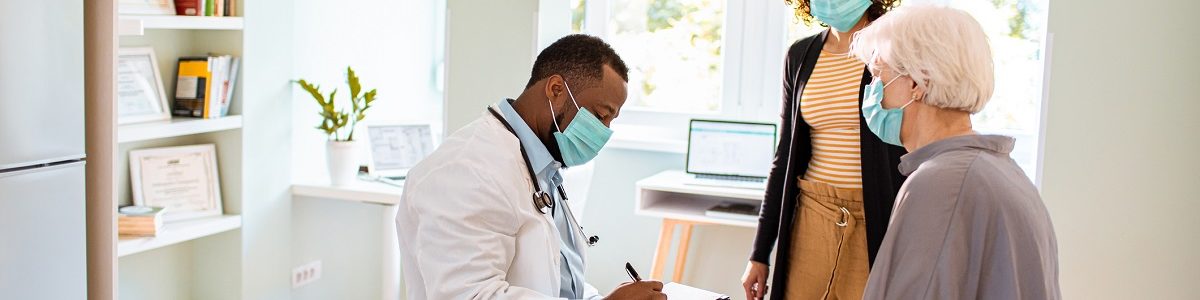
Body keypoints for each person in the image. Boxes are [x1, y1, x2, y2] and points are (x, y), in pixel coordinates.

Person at [395, 34, 666, 300]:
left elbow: (561, 281)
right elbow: (471, 294)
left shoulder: (543, 167)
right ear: (556, 90)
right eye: (600, 115)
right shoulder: (466, 170)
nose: (604, 132)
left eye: (610, 121)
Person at [847, 4, 1060, 299]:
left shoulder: (940, 183)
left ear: (917, 83)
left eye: (878, 74)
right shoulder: (1004, 173)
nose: (874, 90)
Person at [742, 0, 905, 299]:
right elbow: (784, 158)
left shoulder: (897, 49)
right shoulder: (800, 56)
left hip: (874, 219)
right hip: (810, 216)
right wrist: (759, 253)